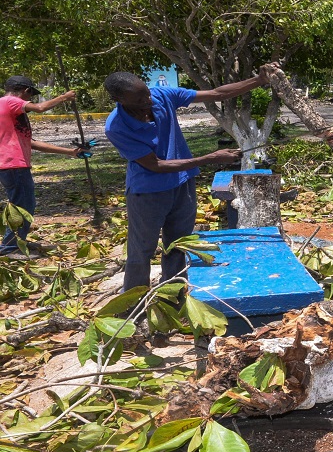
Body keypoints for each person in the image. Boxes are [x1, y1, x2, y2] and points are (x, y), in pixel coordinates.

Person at [104, 63, 279, 291]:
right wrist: (210, 158)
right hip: (147, 192)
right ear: (119, 99)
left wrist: (259, 80)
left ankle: (173, 297)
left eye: (146, 92)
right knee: (141, 251)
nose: (148, 100)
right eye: (138, 99)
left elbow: (217, 93)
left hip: (183, 185)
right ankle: (132, 305)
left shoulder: (161, 96)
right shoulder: (116, 127)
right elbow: (155, 165)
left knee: (179, 245)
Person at [1, 76, 87, 254]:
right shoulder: (11, 102)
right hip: (14, 164)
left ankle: (17, 243)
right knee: (22, 206)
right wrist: (64, 97)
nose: (30, 100)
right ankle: (10, 248)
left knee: (22, 204)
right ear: (25, 90)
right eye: (30, 94)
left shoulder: (10, 111)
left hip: (12, 165)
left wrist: (69, 152)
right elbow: (41, 108)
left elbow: (31, 143)